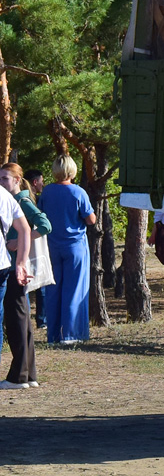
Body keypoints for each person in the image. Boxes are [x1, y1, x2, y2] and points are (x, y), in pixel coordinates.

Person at [0, 164, 50, 389]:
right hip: (12, 267)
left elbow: (45, 225)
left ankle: (20, 376)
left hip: (13, 269)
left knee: (17, 321)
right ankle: (28, 375)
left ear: (18, 180)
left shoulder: (21, 201)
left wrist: (17, 242)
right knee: (21, 320)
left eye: (5, 179)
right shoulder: (11, 200)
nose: (2, 183)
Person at [39, 154, 96, 343]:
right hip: (75, 246)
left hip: (52, 246)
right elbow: (90, 219)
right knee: (74, 290)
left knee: (53, 291)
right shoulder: (78, 192)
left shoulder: (47, 192)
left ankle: (53, 334)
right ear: (72, 170)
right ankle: (71, 333)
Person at [0, 170, 33, 387]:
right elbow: (24, 229)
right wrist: (20, 263)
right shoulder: (4, 195)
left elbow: (32, 227)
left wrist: (21, 263)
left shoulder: (9, 197)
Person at [25, 168, 46, 330]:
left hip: (27, 244)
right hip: (34, 245)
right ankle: (41, 320)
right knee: (39, 284)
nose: (42, 184)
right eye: (41, 181)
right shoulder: (30, 201)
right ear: (35, 182)